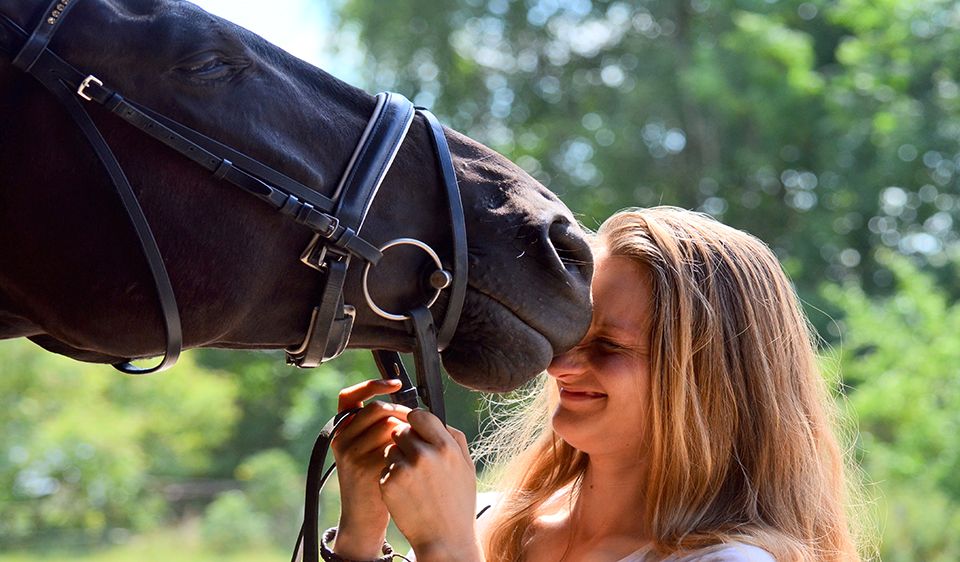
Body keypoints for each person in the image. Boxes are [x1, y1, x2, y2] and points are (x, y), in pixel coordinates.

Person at [325, 206, 863, 561]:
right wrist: (360, 539)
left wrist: (444, 547)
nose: (560, 367)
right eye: (569, 334)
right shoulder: (484, 516)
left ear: (710, 382)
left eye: (609, 346)